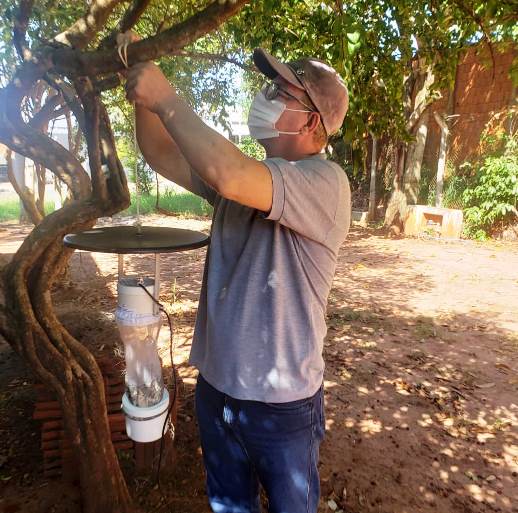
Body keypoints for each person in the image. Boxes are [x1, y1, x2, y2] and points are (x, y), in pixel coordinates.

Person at [127, 46, 351, 513]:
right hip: (217, 390)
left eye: (279, 91)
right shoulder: (249, 184)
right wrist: (143, 93)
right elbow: (160, 153)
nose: (264, 96)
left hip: (282, 407)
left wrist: (167, 98)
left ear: (312, 124)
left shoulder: (325, 182)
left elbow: (229, 174)